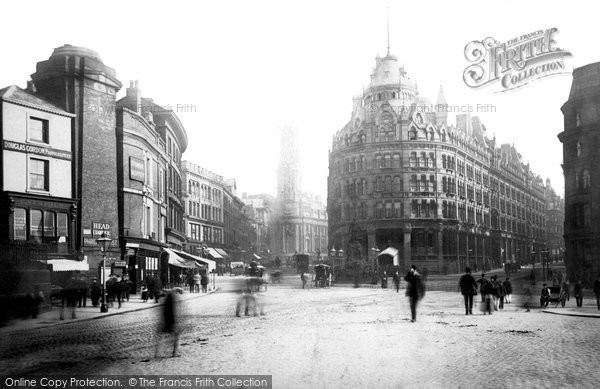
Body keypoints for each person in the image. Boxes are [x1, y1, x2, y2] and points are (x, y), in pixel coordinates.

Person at [155, 289, 182, 358]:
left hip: (165, 322)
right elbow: (173, 313)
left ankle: (157, 353)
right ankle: (174, 353)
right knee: (176, 336)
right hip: (171, 322)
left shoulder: (165, 303)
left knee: (161, 337)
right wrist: (175, 322)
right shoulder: (172, 302)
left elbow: (162, 313)